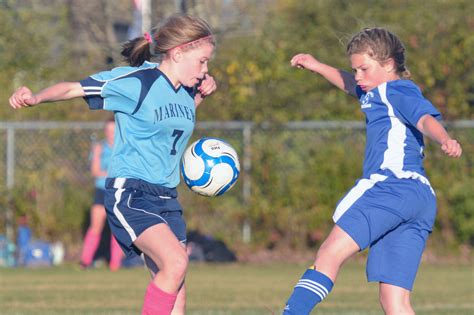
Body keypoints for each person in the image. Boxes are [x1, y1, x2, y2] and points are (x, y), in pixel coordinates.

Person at [9, 14, 217, 315]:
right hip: (132, 194)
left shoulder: (188, 91)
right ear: (178, 52)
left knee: (177, 291)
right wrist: (36, 97)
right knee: (176, 263)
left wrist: (203, 90)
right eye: (202, 61)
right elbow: (73, 88)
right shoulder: (137, 82)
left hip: (167, 199)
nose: (206, 69)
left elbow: (173, 115)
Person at [284, 27, 462, 315]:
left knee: (329, 253)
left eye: (364, 69)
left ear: (389, 64)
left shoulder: (394, 91)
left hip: (391, 186)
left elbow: (424, 119)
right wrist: (316, 66)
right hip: (418, 198)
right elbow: (347, 83)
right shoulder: (375, 92)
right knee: (394, 302)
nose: (358, 77)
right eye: (355, 70)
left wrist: (444, 139)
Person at [80, 117, 124, 271]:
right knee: (95, 227)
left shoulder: (124, 148)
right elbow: (95, 171)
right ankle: (85, 261)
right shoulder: (99, 148)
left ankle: (115, 264)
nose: (111, 134)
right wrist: (112, 174)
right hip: (102, 191)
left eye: (114, 131)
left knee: (118, 228)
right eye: (108, 131)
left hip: (118, 191)